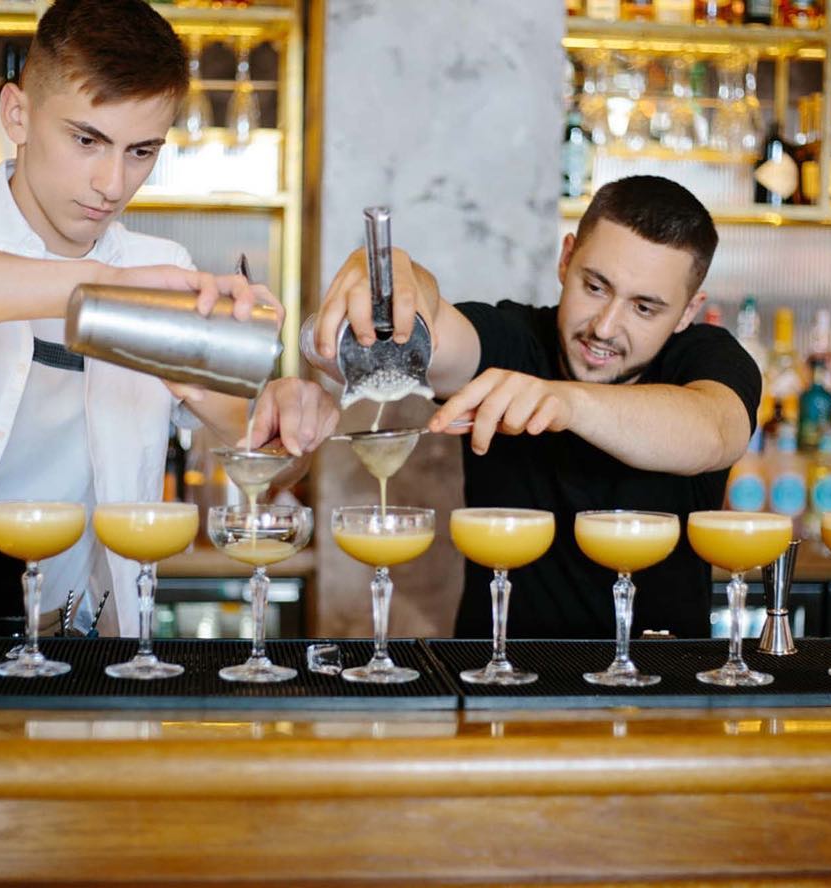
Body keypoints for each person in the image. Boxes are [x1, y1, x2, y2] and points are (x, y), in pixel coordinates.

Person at [0, 0, 337, 635]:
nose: (112, 184)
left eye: (141, 151)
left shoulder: (159, 266)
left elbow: (265, 452)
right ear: (18, 114)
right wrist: (99, 287)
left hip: (70, 645)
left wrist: (286, 417)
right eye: (86, 140)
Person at [312, 176, 760, 639]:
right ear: (566, 259)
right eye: (595, 287)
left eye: (644, 309)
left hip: (664, 689)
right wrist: (408, 281)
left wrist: (565, 402)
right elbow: (433, 330)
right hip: (500, 682)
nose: (606, 327)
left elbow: (716, 431)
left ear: (688, 311)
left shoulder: (707, 357)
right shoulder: (514, 339)